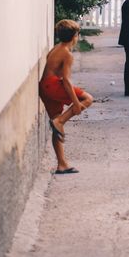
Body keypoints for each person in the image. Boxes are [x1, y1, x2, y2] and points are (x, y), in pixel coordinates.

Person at [39, 20, 94, 174]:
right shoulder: (67, 54)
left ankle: (62, 164)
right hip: (52, 85)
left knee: (57, 128)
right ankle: (59, 121)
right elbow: (67, 81)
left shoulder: (56, 48)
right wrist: (76, 104)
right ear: (75, 36)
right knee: (88, 99)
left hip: (43, 87)